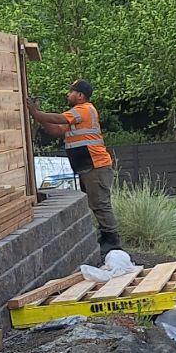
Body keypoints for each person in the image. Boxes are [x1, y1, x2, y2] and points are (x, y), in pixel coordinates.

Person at [26, 79, 120, 253]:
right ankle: (106, 238)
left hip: (96, 166)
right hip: (89, 167)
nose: (67, 94)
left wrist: (35, 112)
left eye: (71, 92)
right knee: (96, 203)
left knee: (100, 203)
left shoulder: (84, 110)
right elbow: (57, 130)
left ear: (80, 96)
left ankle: (112, 241)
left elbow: (57, 118)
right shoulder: (77, 118)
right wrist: (37, 118)